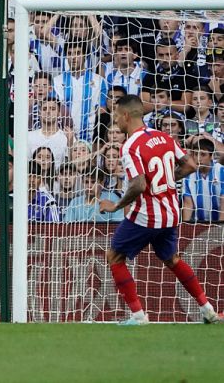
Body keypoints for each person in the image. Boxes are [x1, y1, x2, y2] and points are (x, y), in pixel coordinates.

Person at [99, 94, 223, 325]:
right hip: (171, 212)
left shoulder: (131, 146)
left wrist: (116, 205)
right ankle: (208, 310)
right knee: (172, 259)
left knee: (114, 256)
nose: (116, 121)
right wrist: (167, 179)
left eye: (116, 117)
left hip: (147, 214)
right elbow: (191, 164)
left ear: (126, 115)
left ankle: (138, 316)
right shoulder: (163, 137)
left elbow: (138, 185)